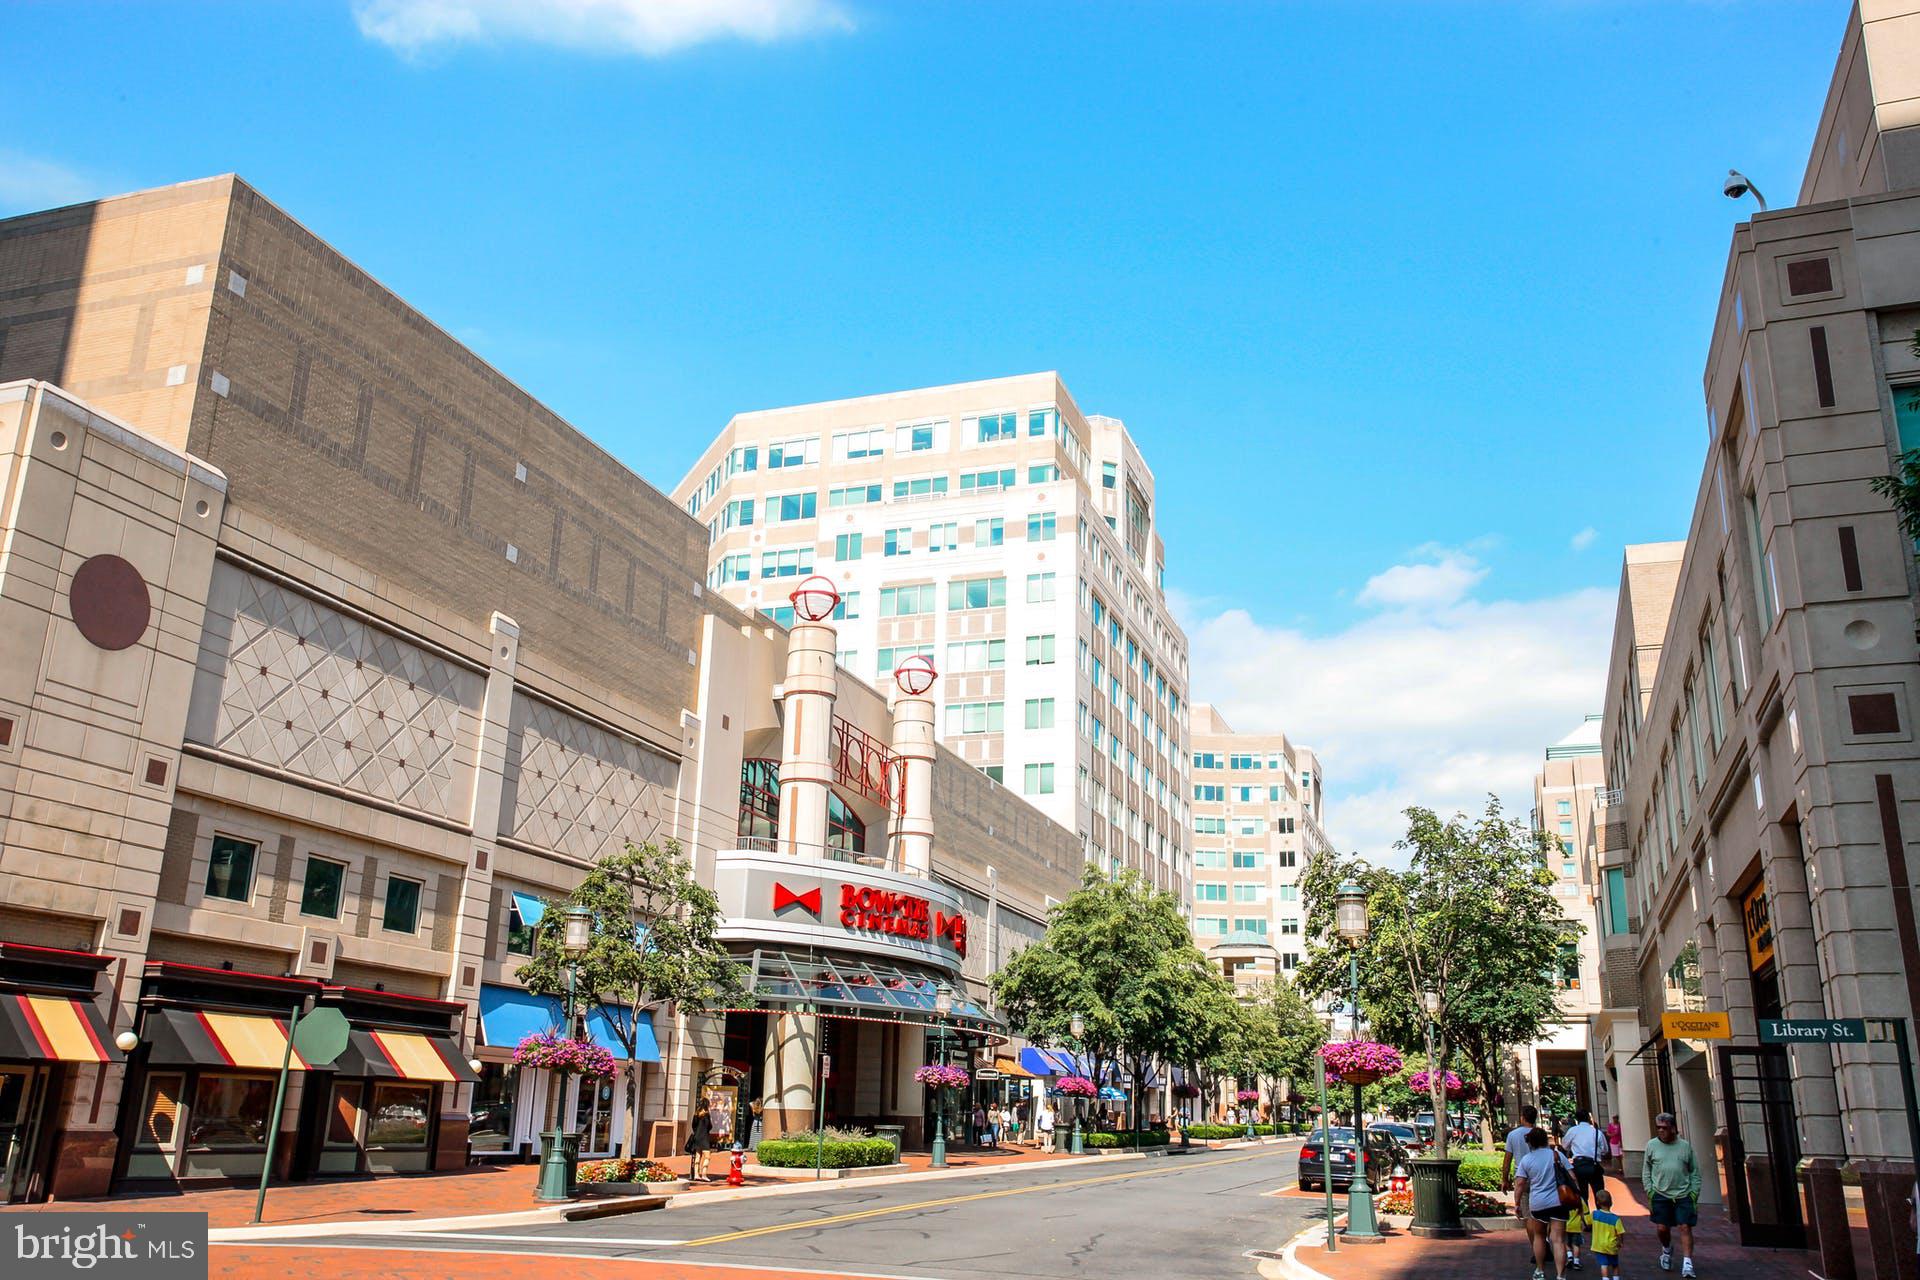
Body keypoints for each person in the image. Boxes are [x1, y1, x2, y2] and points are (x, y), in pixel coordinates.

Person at [1514, 1125, 1576, 1280]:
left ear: (1531, 1143)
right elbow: (1572, 1177)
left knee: (1539, 1237)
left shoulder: (1526, 1160)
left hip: (1538, 1203)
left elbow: (1520, 1183)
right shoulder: (1556, 1155)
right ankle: (1561, 1275)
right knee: (1558, 1239)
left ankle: (1540, 1271)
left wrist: (1516, 1204)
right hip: (1559, 1202)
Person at [1644, 1112, 1701, 1277]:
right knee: (1662, 1228)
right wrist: (1650, 1190)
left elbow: (1694, 1171)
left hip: (1683, 1194)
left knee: (1685, 1227)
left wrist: (1694, 1193)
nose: (1661, 1131)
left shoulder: (1685, 1146)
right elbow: (1646, 1169)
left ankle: (1687, 1263)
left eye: (1665, 1128)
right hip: (1660, 1194)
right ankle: (1667, 1250)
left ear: (1673, 1129)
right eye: (1658, 1128)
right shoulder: (1652, 1146)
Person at [1501, 1105, 1541, 1223]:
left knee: (1527, 1215)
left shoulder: (1513, 1135)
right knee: (1540, 1212)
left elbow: (1507, 1160)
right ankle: (1542, 1238)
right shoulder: (1539, 1133)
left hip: (1521, 1176)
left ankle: (1535, 1240)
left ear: (1522, 1118)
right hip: (1539, 1175)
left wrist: (1504, 1179)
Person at [1589, 1186, 1626, 1280]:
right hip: (1612, 1245)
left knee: (1603, 1264)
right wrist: (1621, 1242)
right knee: (1615, 1264)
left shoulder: (1594, 1214)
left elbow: (1588, 1222)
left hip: (1599, 1245)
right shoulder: (1615, 1219)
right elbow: (1620, 1232)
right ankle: (1616, 1278)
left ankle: (1605, 1278)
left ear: (1597, 1202)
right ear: (1611, 1203)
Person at [684, 1101, 714, 1182]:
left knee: (698, 1156)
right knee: (707, 1156)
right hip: (704, 1137)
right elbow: (710, 1126)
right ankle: (704, 1174)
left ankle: (696, 1174)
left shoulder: (696, 1114)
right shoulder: (706, 1115)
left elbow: (693, 1125)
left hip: (697, 1137)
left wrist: (697, 1131)